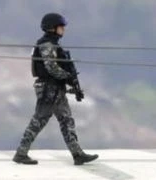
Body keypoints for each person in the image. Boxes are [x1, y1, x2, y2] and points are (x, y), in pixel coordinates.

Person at [12, 13, 99, 166]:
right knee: (39, 120)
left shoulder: (53, 44)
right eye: (61, 26)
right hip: (48, 88)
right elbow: (51, 67)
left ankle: (77, 154)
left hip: (55, 88)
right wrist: (68, 77)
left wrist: (72, 85)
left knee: (66, 120)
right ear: (52, 28)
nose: (63, 29)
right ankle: (21, 153)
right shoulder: (47, 45)